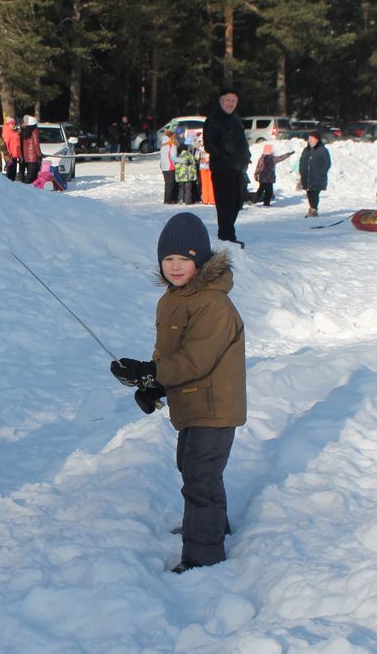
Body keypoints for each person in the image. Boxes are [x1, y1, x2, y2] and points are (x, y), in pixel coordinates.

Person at [110, 212, 246, 574]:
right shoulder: (172, 299)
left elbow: (195, 360)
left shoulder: (213, 304)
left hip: (214, 406)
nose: (174, 266)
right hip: (193, 402)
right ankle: (211, 525)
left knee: (201, 477)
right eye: (168, 259)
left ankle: (203, 555)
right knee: (193, 467)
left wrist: (151, 372)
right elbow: (168, 354)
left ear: (200, 261)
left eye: (184, 259)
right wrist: (152, 385)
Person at [203, 88, 251, 245]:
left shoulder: (236, 119)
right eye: (228, 100)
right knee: (225, 204)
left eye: (234, 101)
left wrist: (246, 155)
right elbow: (210, 145)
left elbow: (242, 141)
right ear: (221, 101)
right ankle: (226, 236)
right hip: (223, 169)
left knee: (237, 202)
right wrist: (227, 159)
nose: (231, 104)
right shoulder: (213, 120)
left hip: (238, 169)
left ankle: (229, 234)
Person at [299, 130, 331, 217]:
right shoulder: (306, 150)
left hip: (317, 177)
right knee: (309, 193)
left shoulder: (323, 150)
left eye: (312, 138)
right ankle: (312, 208)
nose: (310, 140)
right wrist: (302, 172)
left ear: (317, 139)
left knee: (315, 193)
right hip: (307, 177)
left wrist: (321, 173)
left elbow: (327, 163)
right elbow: (301, 162)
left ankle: (313, 209)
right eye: (309, 138)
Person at [19, 116, 42, 183]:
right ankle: (29, 186)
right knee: (32, 176)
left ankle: (23, 185)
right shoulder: (34, 130)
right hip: (33, 156)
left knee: (27, 174)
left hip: (25, 155)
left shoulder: (24, 130)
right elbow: (36, 144)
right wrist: (39, 155)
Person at [159, 129, 178, 204]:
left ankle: (166, 200)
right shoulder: (172, 145)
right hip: (170, 166)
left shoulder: (163, 146)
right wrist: (183, 160)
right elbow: (174, 158)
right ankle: (169, 200)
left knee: (167, 184)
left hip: (163, 166)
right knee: (170, 184)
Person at [197, 138, 215, 205]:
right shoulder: (212, 147)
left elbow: (196, 157)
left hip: (202, 166)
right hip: (210, 166)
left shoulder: (200, 148)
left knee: (204, 184)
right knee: (211, 183)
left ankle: (205, 200)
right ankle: (212, 200)